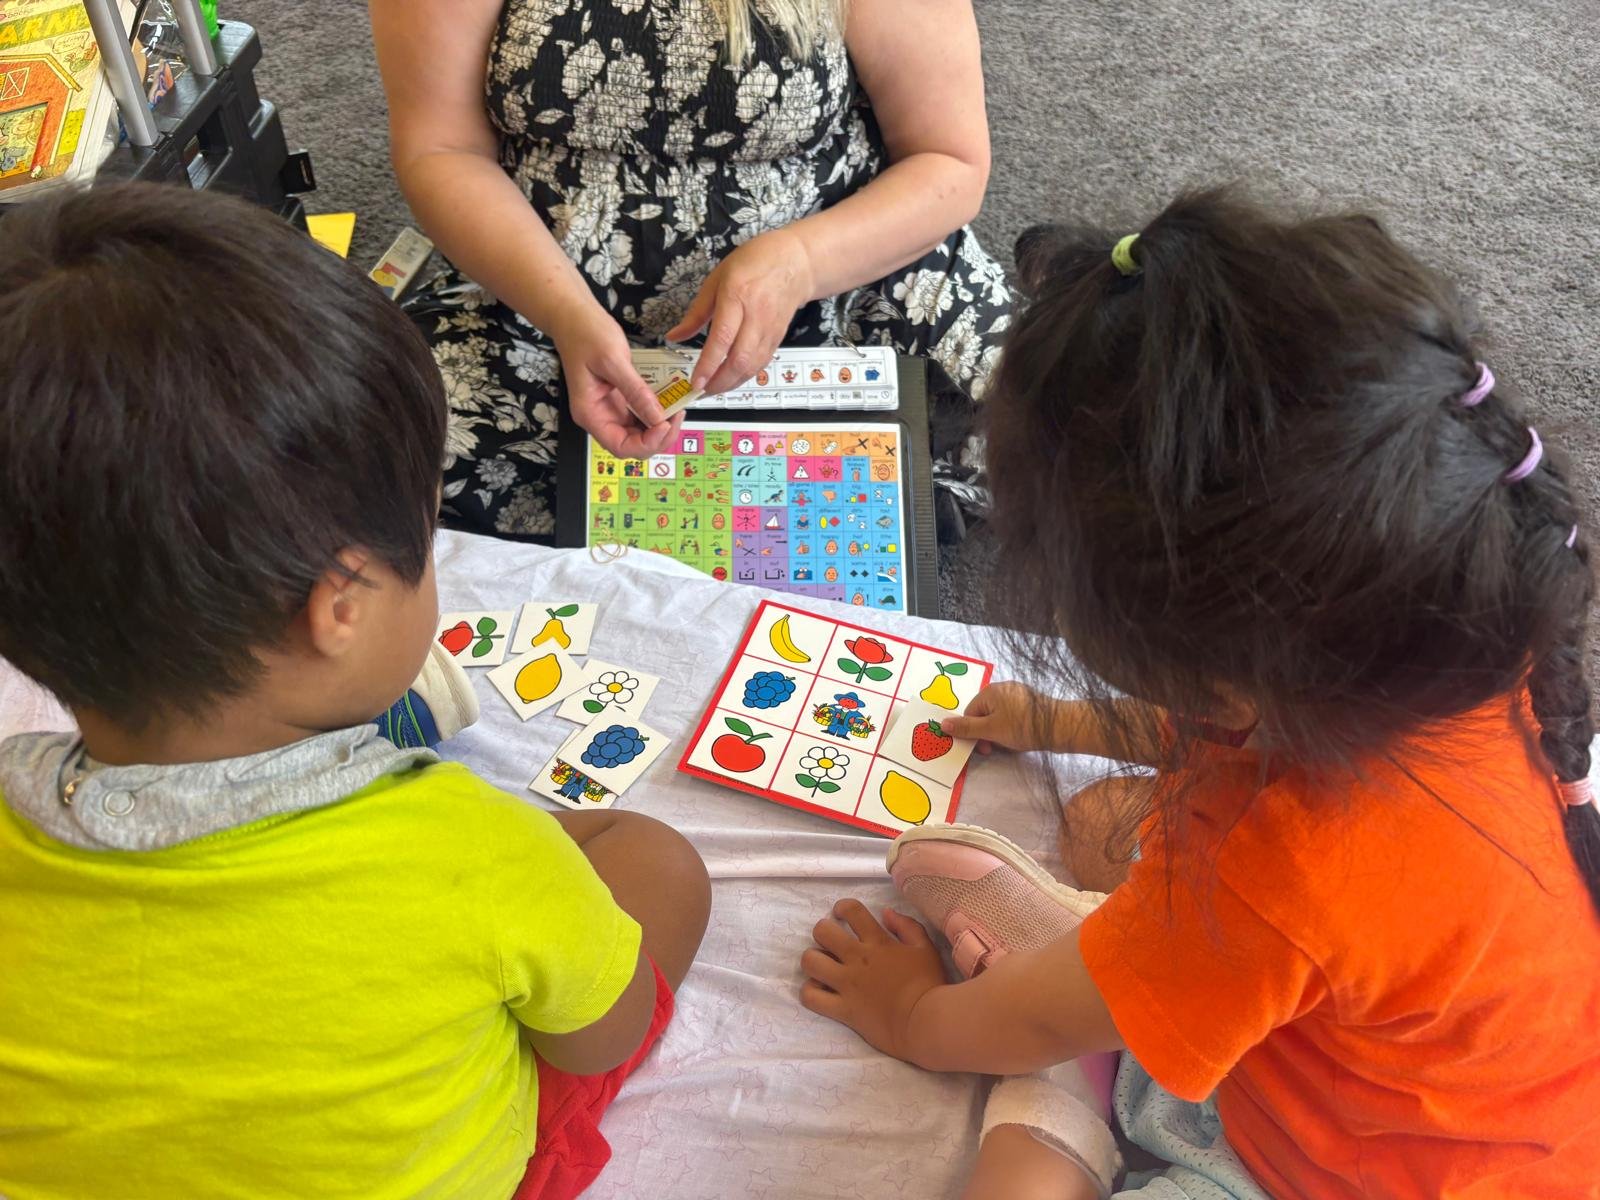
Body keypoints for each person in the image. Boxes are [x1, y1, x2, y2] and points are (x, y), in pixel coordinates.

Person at [799, 189, 1600, 1199]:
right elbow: (1226, 737)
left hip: (1360, 1173)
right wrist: (1056, 722)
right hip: (1459, 1089)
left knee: (1020, 1150)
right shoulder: (1446, 629)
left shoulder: (1282, 872)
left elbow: (1042, 1020)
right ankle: (1115, 979)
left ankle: (1100, 1049)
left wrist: (914, 1016)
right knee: (1110, 833)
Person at [0, 184, 711, 1200]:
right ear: (338, 606)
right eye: (424, 543)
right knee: (656, 858)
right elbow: (598, 1046)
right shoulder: (473, 849)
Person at [371, 0, 1008, 537]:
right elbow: (442, 147)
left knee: (1048, 425)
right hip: (535, 305)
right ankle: (855, 492)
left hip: (842, 275)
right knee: (372, 445)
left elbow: (948, 159)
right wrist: (566, 314)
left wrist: (801, 262)